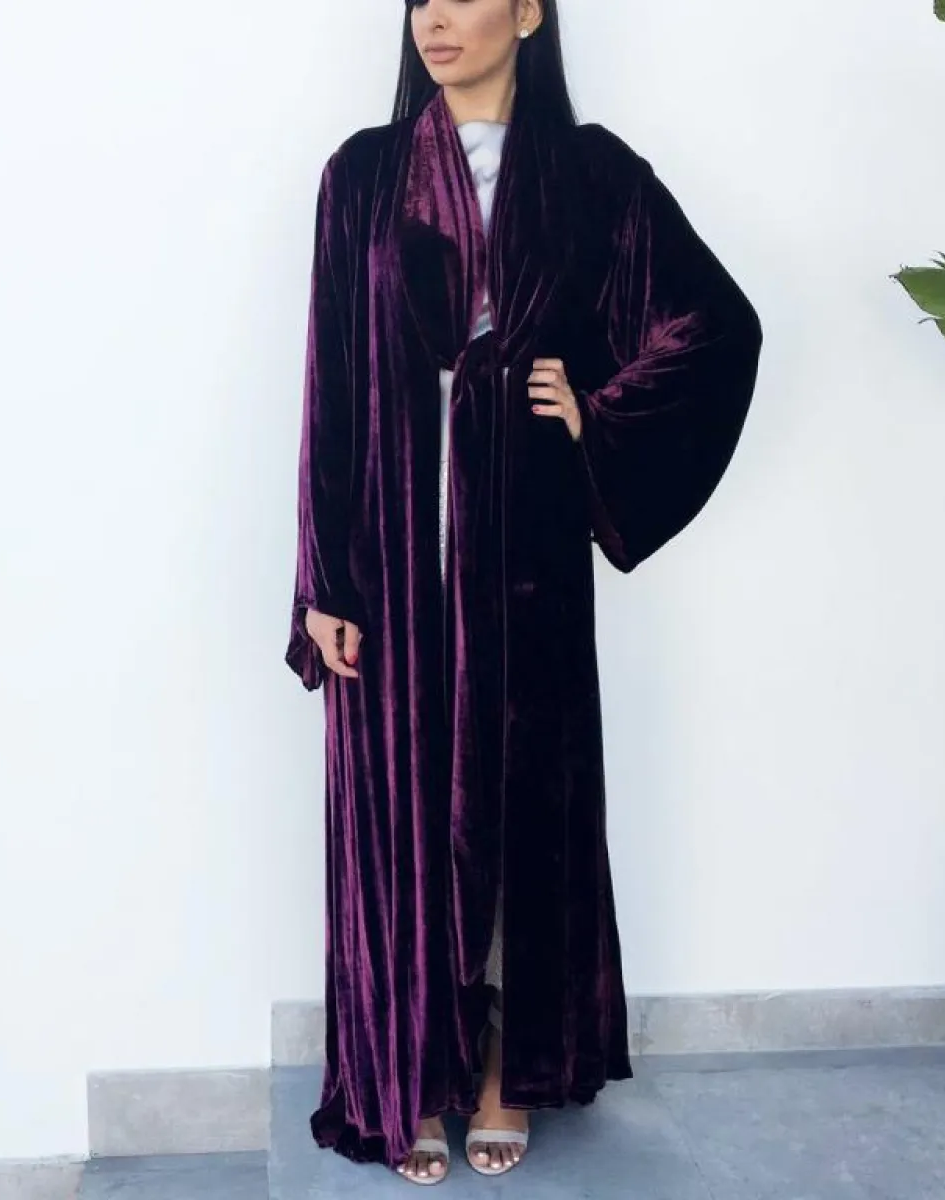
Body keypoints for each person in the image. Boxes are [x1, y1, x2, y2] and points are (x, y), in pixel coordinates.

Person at [284, 0, 763, 1185]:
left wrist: (597, 409)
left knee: (519, 800)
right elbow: (330, 383)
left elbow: (716, 324)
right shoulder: (363, 174)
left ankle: (508, 1065)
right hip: (395, 541)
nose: (435, 19)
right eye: (419, 0)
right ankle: (410, 1068)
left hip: (527, 539)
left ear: (531, 12)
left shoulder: (591, 173)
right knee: (403, 805)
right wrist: (321, 580)